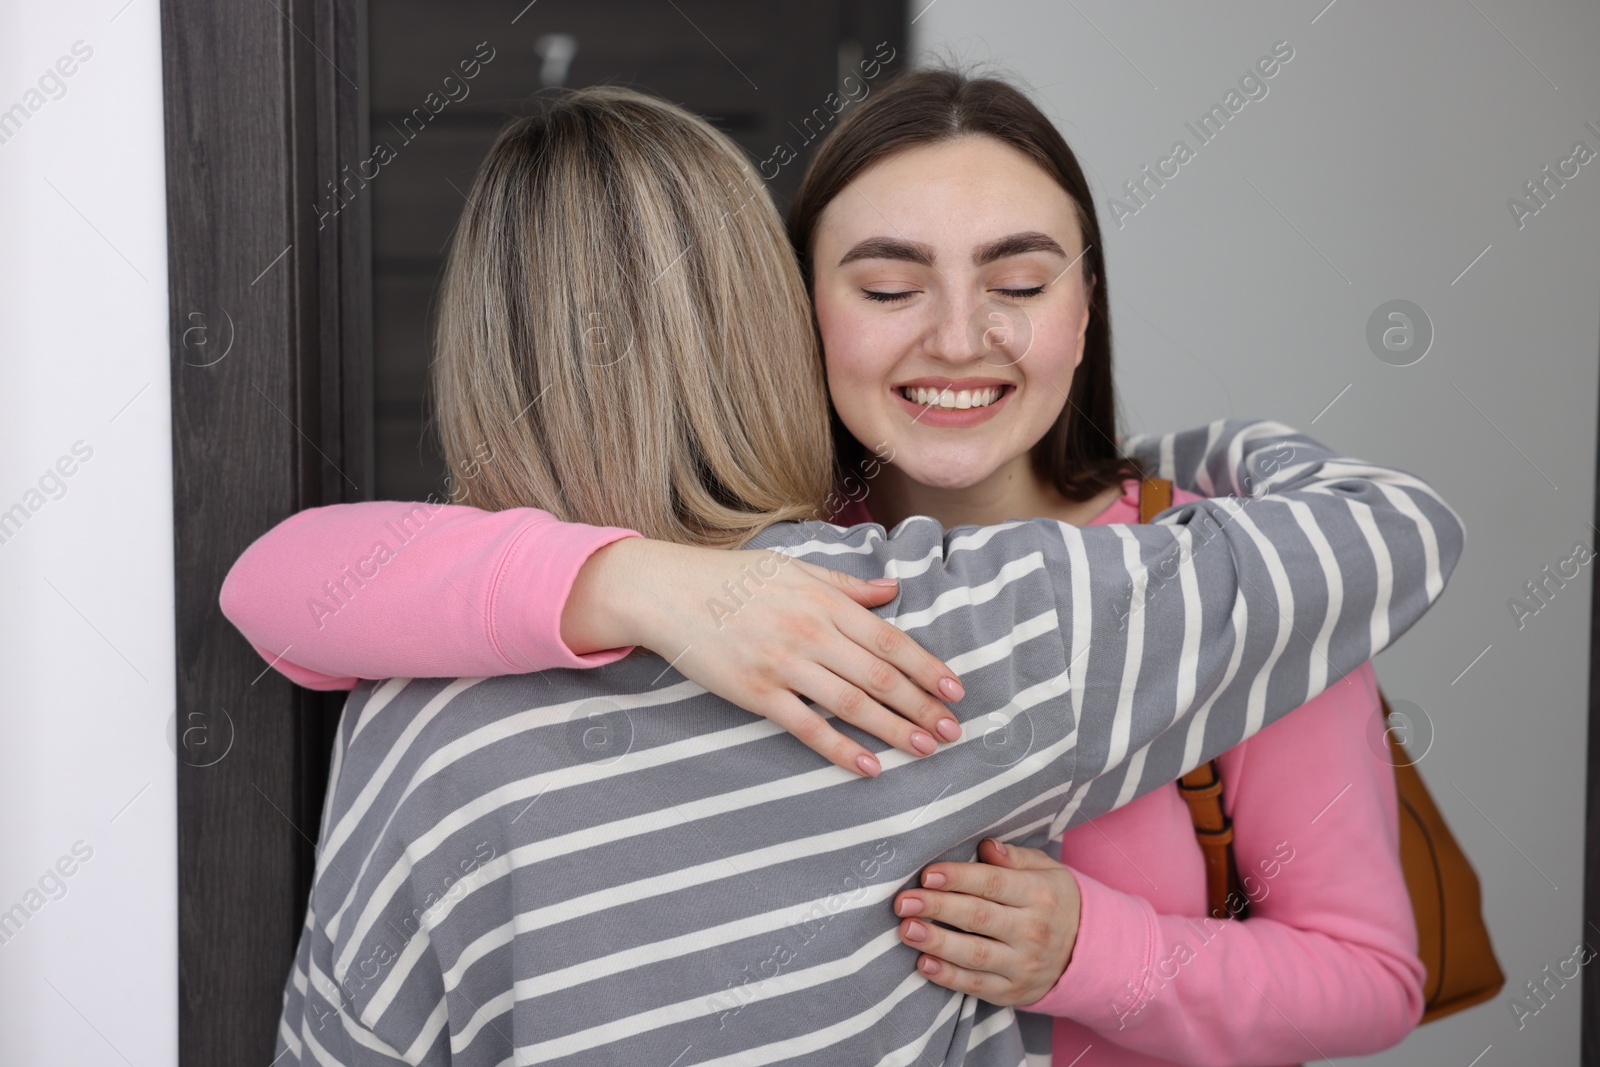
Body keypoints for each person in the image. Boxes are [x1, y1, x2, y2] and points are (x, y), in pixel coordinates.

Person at [243, 86, 1460, 1065]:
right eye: (886, 287)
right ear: (793, 314)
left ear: (1086, 310)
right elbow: (286, 582)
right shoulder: (787, 582)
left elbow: (1370, 979)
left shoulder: (1212, 578)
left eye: (1022, 285)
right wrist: (633, 581)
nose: (956, 335)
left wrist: (1095, 952)